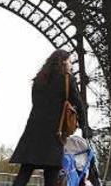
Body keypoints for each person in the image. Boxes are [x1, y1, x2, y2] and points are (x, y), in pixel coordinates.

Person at [10, 50, 91, 186]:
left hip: (34, 131)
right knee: (52, 173)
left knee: (24, 172)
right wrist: (84, 126)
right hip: (54, 132)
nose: (71, 65)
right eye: (70, 61)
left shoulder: (38, 80)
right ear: (64, 61)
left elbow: (36, 104)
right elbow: (78, 103)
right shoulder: (66, 79)